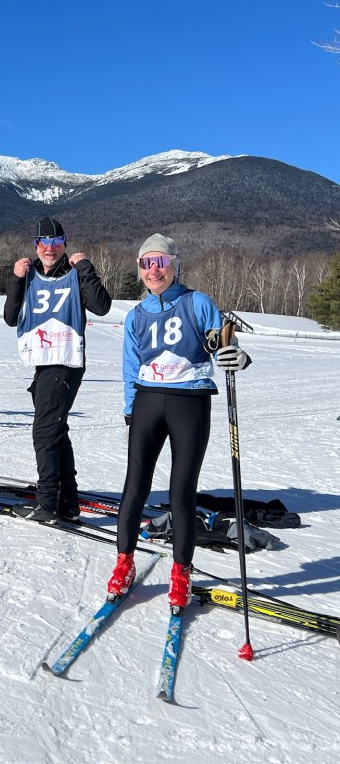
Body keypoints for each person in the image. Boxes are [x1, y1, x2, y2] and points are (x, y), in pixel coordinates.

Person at [107, 233, 251, 607]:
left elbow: (222, 345)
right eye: (146, 263)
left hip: (191, 401)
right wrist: (129, 409)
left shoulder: (197, 302)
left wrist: (235, 355)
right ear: (139, 271)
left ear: (174, 264)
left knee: (181, 491)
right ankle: (124, 562)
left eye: (160, 262)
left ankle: (181, 571)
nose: (153, 270)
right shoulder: (136, 315)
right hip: (147, 402)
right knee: (134, 485)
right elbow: (129, 366)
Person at [3, 217, 112, 523]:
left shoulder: (75, 273)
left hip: (65, 361)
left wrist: (87, 270)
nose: (49, 249)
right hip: (42, 361)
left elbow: (102, 307)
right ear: (35, 245)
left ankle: (47, 502)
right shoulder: (30, 273)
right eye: (43, 242)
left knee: (43, 431)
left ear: (65, 244)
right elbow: (11, 317)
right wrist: (16, 278)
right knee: (56, 430)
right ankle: (68, 501)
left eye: (56, 242)